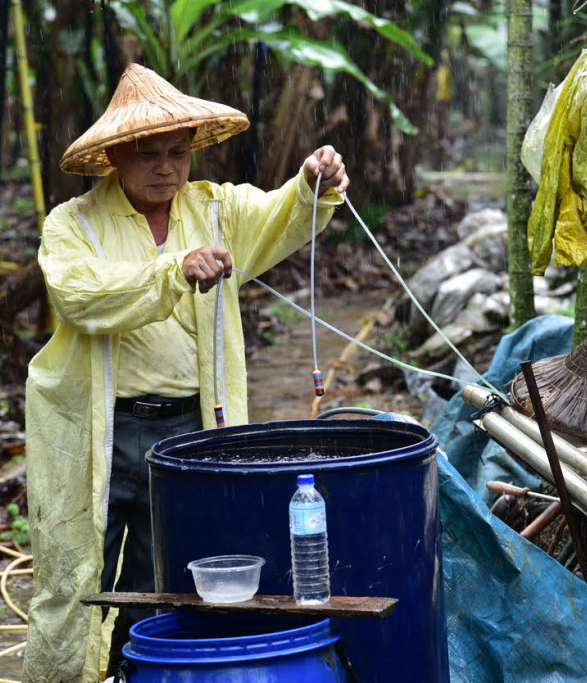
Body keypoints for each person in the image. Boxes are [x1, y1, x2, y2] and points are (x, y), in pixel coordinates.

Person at [22, 63, 348, 682]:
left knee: (164, 573)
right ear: (115, 156)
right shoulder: (73, 224)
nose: (167, 168)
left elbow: (280, 214)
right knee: (73, 574)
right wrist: (175, 270)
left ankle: (138, 673)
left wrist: (312, 182)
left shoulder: (217, 209)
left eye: (177, 152)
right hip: (101, 428)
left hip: (188, 429)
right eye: (149, 154)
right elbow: (80, 296)